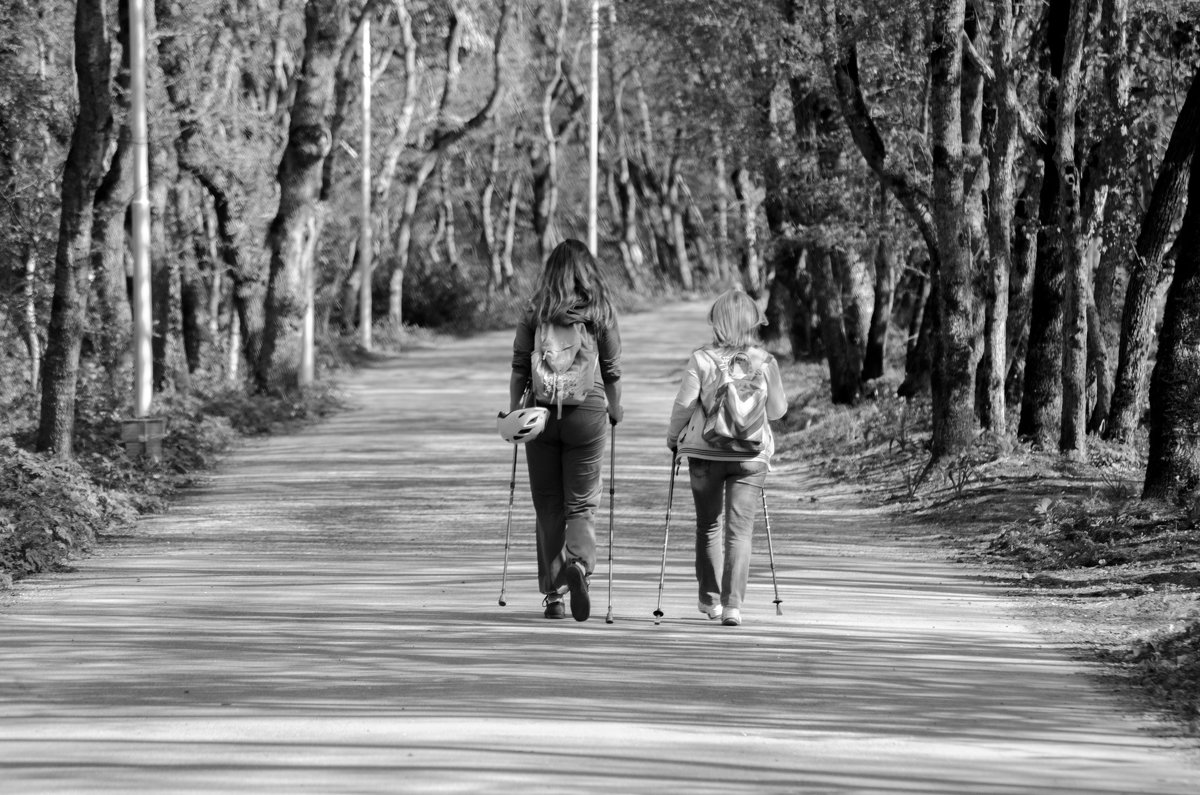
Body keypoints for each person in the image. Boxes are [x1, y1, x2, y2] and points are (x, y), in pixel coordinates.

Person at [509, 238, 623, 621]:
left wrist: (515, 412)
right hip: (587, 414)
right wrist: (616, 407)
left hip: (539, 417)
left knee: (547, 503)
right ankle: (579, 564)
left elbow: (519, 368)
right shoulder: (599, 311)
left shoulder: (535, 310)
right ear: (587, 271)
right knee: (581, 503)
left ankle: (554, 595)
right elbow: (612, 368)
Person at [665, 289, 787, 627]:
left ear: (716, 321)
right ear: (753, 322)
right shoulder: (765, 361)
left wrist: (674, 438)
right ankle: (733, 605)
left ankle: (710, 599)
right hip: (751, 455)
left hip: (705, 453)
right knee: (740, 530)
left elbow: (684, 405)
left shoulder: (702, 359)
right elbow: (777, 411)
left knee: (709, 525)